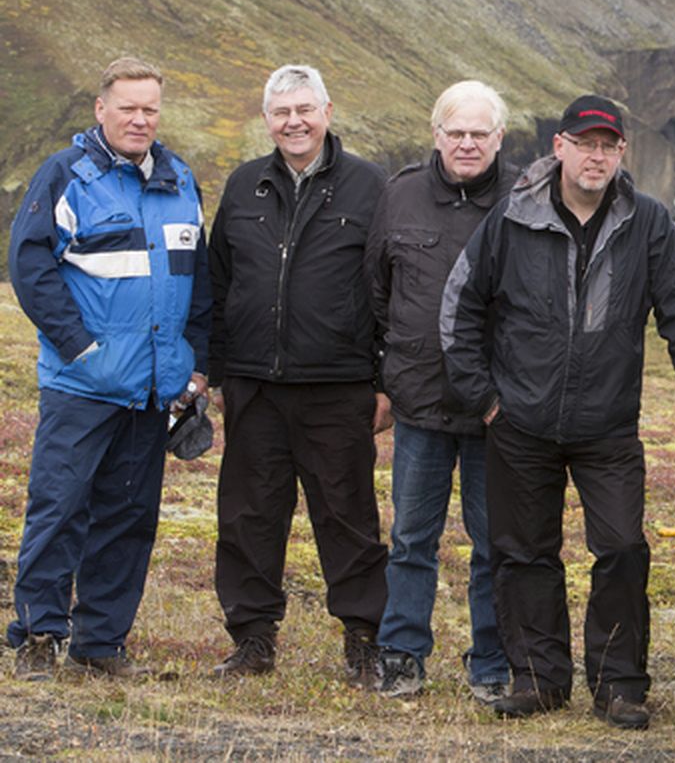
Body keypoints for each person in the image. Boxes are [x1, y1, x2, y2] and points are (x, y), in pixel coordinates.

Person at [440, 94, 675, 729]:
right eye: (585, 144)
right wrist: (487, 402)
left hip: (606, 428)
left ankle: (619, 686)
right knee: (523, 554)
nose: (596, 156)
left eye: (608, 145)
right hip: (519, 424)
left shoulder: (648, 223)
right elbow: (459, 310)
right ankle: (537, 680)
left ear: (621, 153)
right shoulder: (511, 218)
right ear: (559, 148)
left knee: (623, 549)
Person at [6, 57, 210, 680]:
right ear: (101, 109)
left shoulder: (180, 180)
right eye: (128, 108)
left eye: (150, 108)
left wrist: (194, 364)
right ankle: (38, 636)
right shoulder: (66, 174)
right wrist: (77, 346)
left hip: (151, 390)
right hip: (82, 385)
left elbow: (199, 282)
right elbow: (29, 264)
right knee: (59, 508)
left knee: (129, 519)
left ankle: (101, 645)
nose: (140, 119)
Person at [206, 63, 389, 686]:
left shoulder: (369, 186)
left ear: (328, 112)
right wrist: (216, 371)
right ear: (267, 120)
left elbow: (389, 288)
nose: (294, 122)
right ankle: (253, 639)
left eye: (305, 110)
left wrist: (384, 380)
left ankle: (363, 639)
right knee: (249, 517)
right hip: (254, 385)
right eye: (282, 113)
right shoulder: (243, 185)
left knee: (347, 517)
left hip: (337, 386)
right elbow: (218, 281)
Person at [365, 81, 510, 703]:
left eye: (481, 133)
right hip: (418, 403)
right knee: (410, 540)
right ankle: (401, 654)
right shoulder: (398, 194)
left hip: (497, 412)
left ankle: (492, 663)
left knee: (495, 544)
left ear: (500, 139)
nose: (468, 144)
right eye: (457, 132)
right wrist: (383, 381)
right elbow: (374, 293)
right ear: (437, 135)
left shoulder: (526, 199)